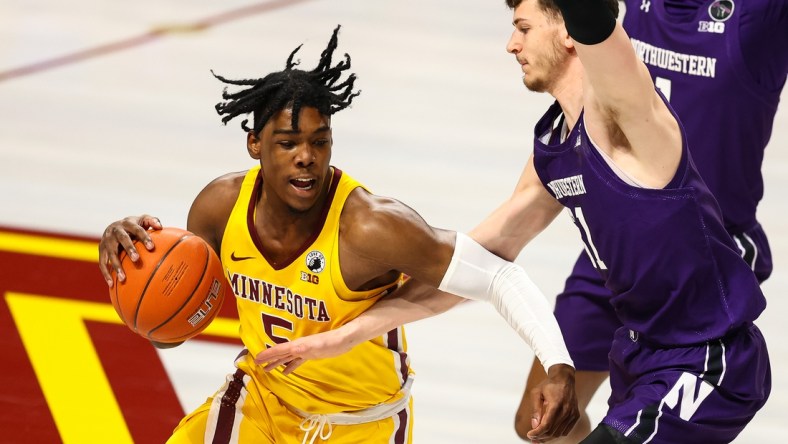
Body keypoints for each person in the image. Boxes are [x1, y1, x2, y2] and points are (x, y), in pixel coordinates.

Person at [255, 1, 772, 442]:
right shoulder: (553, 147)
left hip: (708, 359)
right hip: (639, 349)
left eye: (523, 28)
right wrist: (347, 334)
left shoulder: (627, 118)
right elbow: (478, 262)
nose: (510, 44)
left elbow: (598, 23)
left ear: (568, 31)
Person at [97, 25, 579, 444]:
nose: (306, 156)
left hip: (363, 422)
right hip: (263, 402)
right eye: (288, 144)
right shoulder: (220, 208)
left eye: (319, 141)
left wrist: (556, 363)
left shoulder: (370, 226)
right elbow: (171, 333)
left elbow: (496, 276)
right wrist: (133, 268)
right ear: (254, 144)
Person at [517, 0, 787, 441]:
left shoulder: (757, 15)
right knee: (537, 424)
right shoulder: (635, 10)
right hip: (616, 252)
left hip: (703, 253)